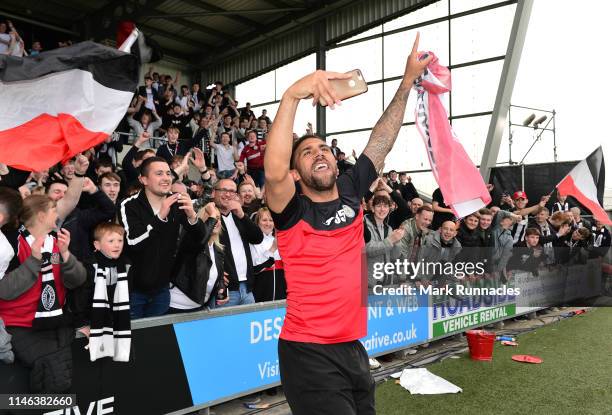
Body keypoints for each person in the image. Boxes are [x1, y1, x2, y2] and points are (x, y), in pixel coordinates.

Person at [264, 34, 432, 415]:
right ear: (297, 172)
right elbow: (273, 173)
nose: (318, 152)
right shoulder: (292, 210)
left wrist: (407, 81)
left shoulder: (351, 190)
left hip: (354, 347)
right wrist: (292, 95)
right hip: (308, 353)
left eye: (323, 148)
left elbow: (382, 139)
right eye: (307, 152)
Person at [0, 195, 86, 392]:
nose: (57, 213)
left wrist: (66, 256)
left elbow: (77, 280)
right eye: (53, 209)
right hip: (19, 325)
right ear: (41, 216)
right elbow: (4, 291)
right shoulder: (12, 243)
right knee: (54, 379)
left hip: (53, 323)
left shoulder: (56, 241)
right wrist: (34, 260)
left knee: (59, 379)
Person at [119, 157, 199, 318]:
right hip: (133, 291)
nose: (166, 178)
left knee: (157, 340)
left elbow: (199, 238)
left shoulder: (177, 202)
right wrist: (160, 217)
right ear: (144, 179)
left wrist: (192, 217)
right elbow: (134, 243)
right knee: (133, 341)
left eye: (168, 174)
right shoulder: (128, 205)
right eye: (159, 173)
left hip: (163, 289)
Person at [72, 222, 132, 361]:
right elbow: (80, 298)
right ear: (97, 245)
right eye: (111, 241)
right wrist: (82, 323)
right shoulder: (89, 266)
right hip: (91, 320)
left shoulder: (127, 265)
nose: (117, 245)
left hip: (116, 321)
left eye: (120, 240)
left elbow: (127, 296)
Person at [169, 203, 229, 312]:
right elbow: (200, 240)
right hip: (177, 308)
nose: (216, 221)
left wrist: (221, 287)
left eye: (218, 218)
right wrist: (211, 217)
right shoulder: (192, 238)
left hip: (199, 308)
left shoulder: (217, 249)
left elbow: (213, 274)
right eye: (212, 217)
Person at [213, 179, 264, 307]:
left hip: (247, 288)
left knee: (249, 326)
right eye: (224, 190)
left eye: (232, 191)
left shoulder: (240, 216)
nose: (228, 194)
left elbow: (258, 238)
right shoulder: (208, 217)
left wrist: (242, 215)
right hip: (225, 291)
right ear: (213, 193)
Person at [364, 195, 404, 287]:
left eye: (385, 206)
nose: (382, 209)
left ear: (389, 209)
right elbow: (368, 250)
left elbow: (394, 256)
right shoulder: (364, 225)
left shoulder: (389, 228)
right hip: (368, 283)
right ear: (373, 209)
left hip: (385, 281)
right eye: (378, 206)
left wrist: (397, 241)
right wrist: (391, 240)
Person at [250, 207, 286, 302]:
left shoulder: (278, 240)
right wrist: (273, 248)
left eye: (271, 220)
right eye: (264, 220)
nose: (268, 223)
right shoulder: (253, 242)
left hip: (281, 294)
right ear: (258, 222)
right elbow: (255, 268)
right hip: (261, 294)